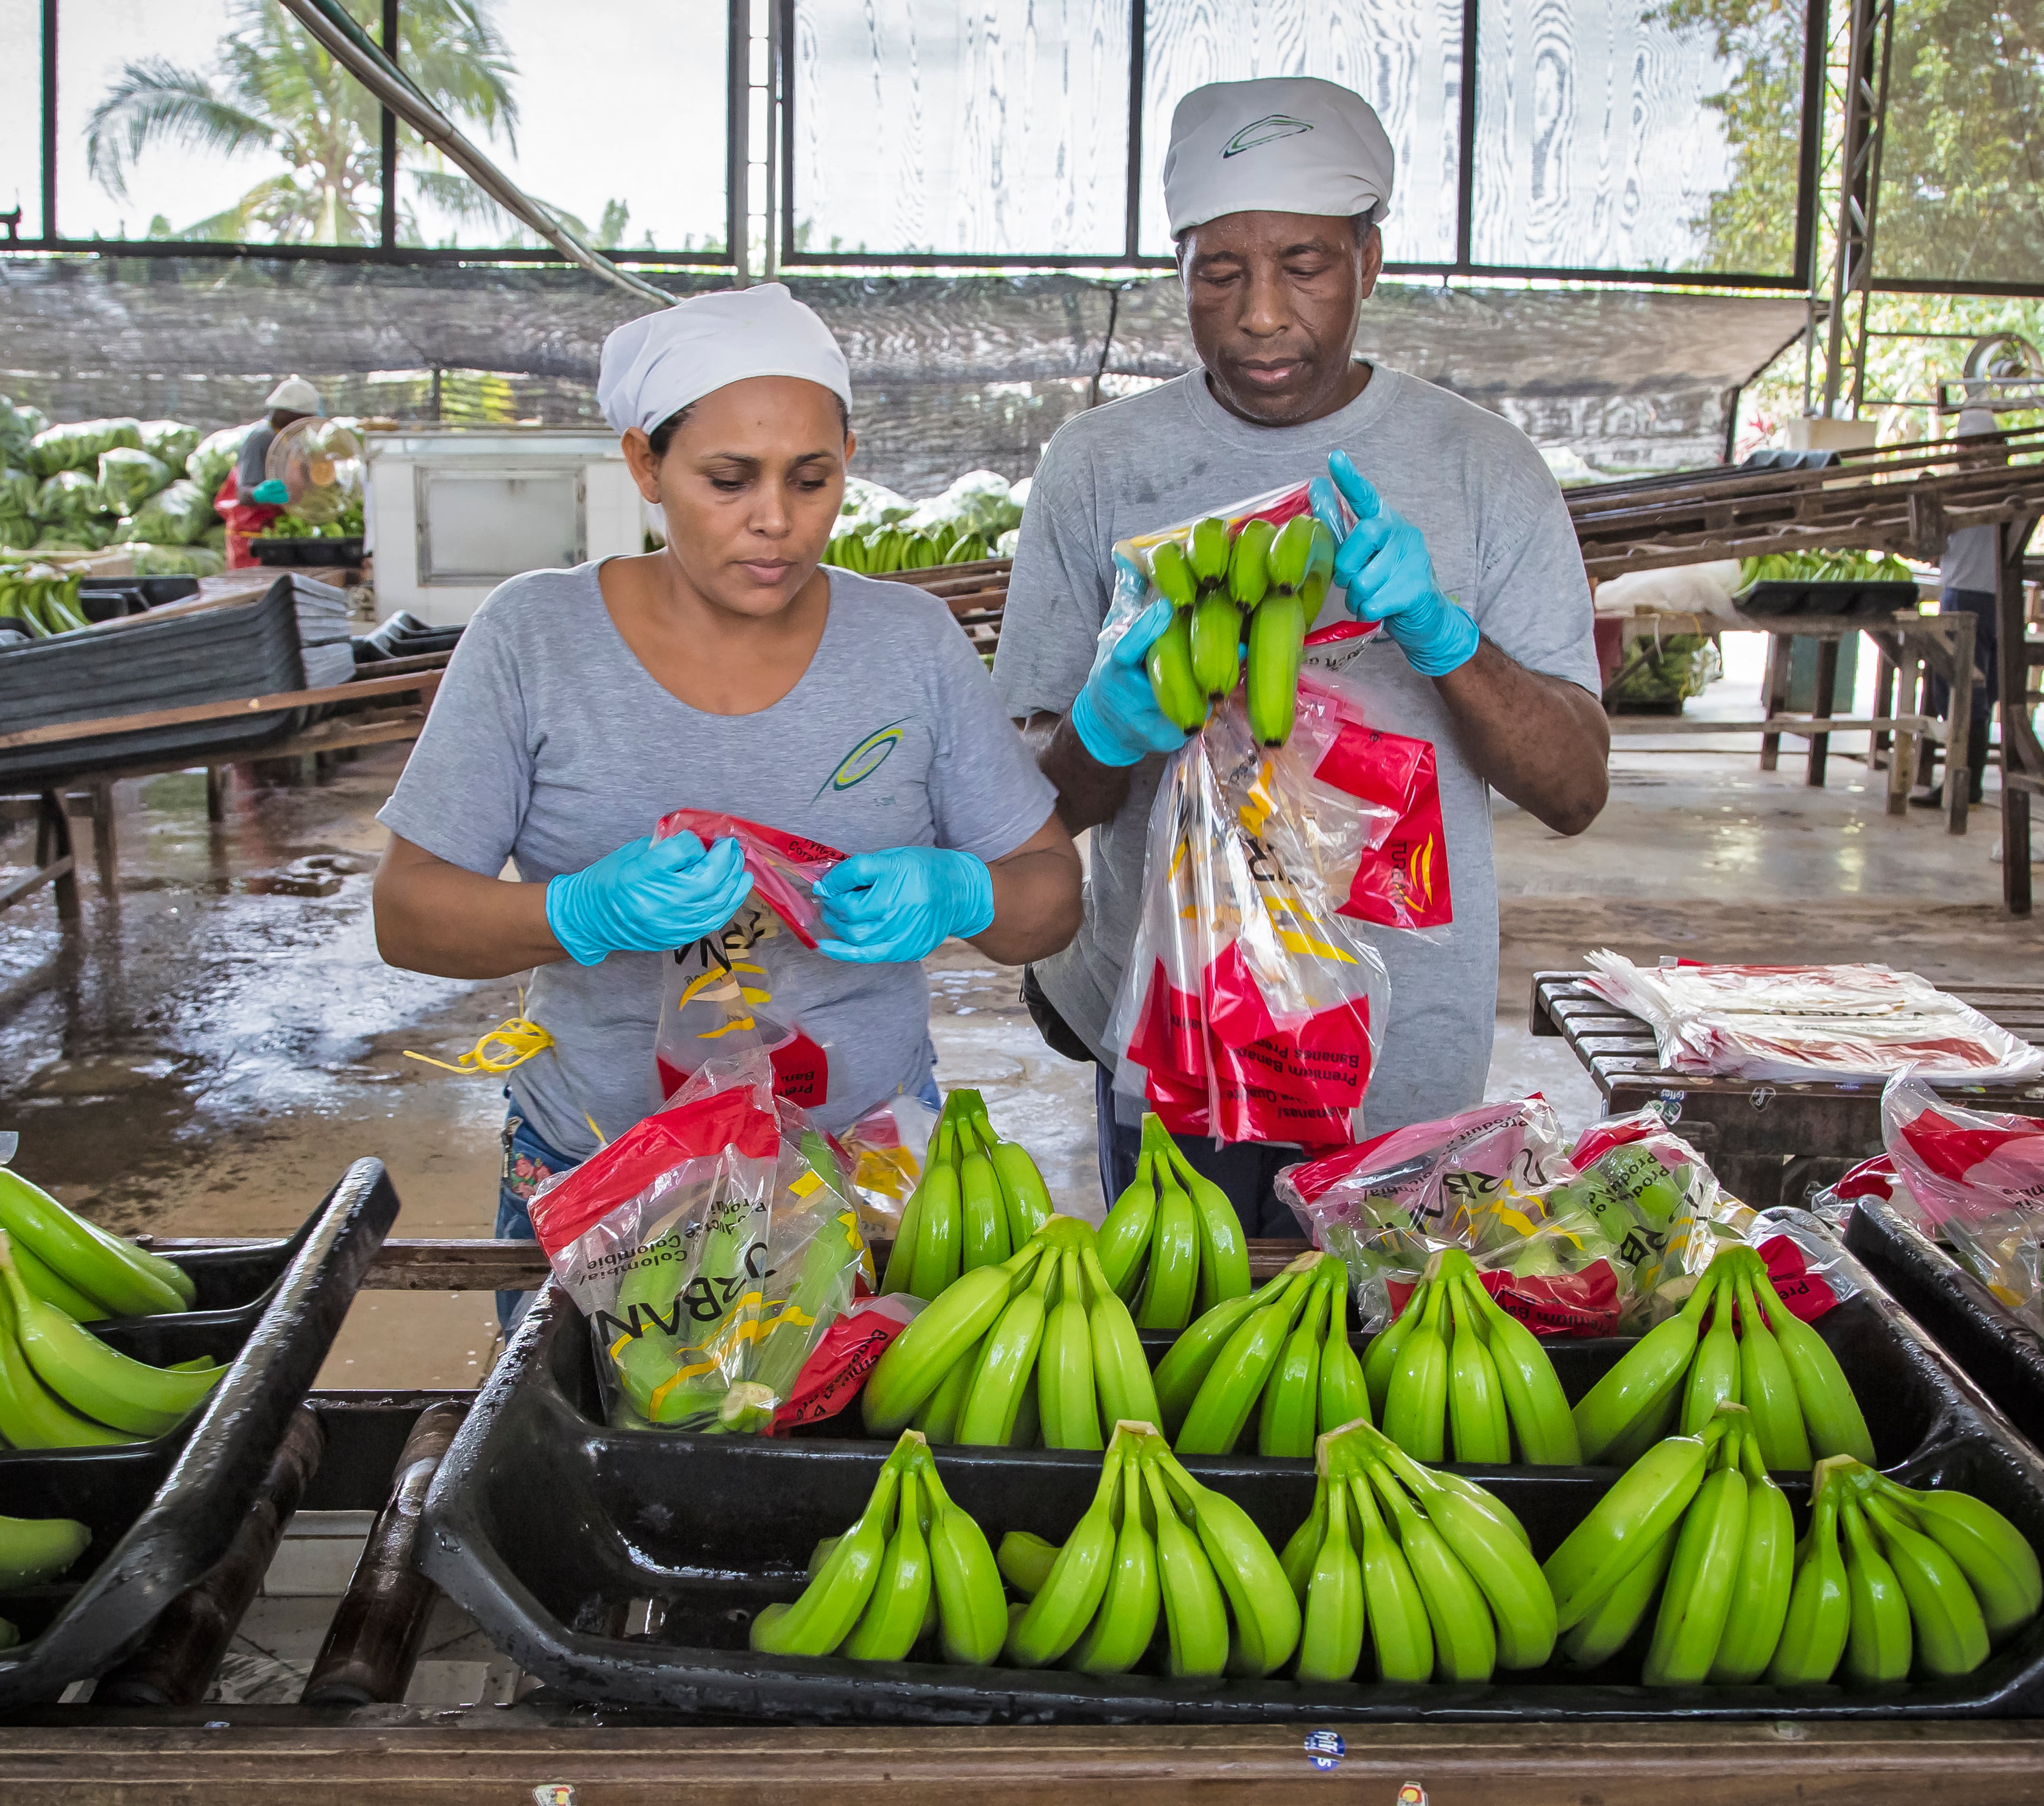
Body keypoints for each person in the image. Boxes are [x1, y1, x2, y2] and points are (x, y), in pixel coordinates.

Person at [371, 284, 1084, 1326]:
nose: (776, 521)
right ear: (643, 465)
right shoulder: (537, 639)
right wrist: (573, 913)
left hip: (864, 1170)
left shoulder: (909, 643)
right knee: (591, 1466)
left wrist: (965, 890)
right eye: (727, 478)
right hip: (600, 1173)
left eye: (812, 478)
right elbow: (407, 912)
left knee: (855, 1468)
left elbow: (1051, 897)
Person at [991, 77, 1610, 1233]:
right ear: (1176, 268)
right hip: (1168, 1027)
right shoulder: (1097, 467)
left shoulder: (1482, 468)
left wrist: (1442, 637)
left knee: (1387, 1363)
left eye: (1304, 265)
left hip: (1398, 1047)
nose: (1260, 313)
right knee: (1180, 1358)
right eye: (1217, 271)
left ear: (1369, 259)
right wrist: (1101, 728)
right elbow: (1016, 807)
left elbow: (1573, 789)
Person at [1914, 407, 2033, 809]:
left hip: (1964, 596)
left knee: (1962, 692)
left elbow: (1930, 548)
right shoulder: (2013, 488)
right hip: (2002, 600)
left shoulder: (1953, 489)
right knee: (1981, 692)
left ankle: (1963, 785)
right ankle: (1970, 782)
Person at [211, 375, 322, 568]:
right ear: (291, 415)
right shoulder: (262, 438)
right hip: (252, 537)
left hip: (274, 534)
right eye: (305, 419)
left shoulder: (291, 439)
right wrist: (260, 494)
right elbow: (243, 494)